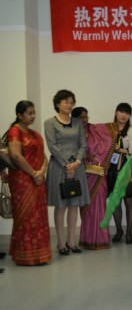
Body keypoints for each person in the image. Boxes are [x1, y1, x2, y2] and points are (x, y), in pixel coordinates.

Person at [6, 100, 52, 265]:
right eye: (29, 113)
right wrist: (33, 173)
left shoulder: (34, 134)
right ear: (19, 115)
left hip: (38, 179)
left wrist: (42, 171)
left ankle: (41, 255)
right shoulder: (14, 132)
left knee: (39, 216)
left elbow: (43, 156)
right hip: (22, 181)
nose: (33, 116)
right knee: (26, 216)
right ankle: (26, 255)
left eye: (34, 113)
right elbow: (16, 156)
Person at [44, 89, 90, 255]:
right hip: (59, 167)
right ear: (57, 104)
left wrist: (76, 162)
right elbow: (52, 146)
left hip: (76, 167)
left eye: (71, 102)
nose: (69, 105)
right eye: (65, 102)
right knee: (61, 206)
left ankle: (72, 241)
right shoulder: (50, 123)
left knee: (74, 205)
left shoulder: (77, 122)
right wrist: (66, 164)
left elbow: (83, 145)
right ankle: (61, 243)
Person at [72, 107, 118, 250]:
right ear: (75, 119)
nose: (85, 120)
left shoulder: (95, 130)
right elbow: (69, 153)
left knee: (100, 206)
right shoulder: (72, 134)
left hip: (98, 174)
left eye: (86, 116)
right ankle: (87, 240)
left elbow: (110, 135)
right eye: (81, 117)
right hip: (82, 174)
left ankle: (101, 239)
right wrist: (85, 157)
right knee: (86, 207)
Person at [107, 103, 132, 244]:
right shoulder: (108, 128)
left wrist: (118, 149)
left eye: (127, 113)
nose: (123, 115)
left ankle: (129, 232)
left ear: (129, 116)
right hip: (111, 169)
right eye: (121, 111)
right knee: (115, 201)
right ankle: (119, 230)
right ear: (116, 112)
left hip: (126, 168)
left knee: (129, 201)